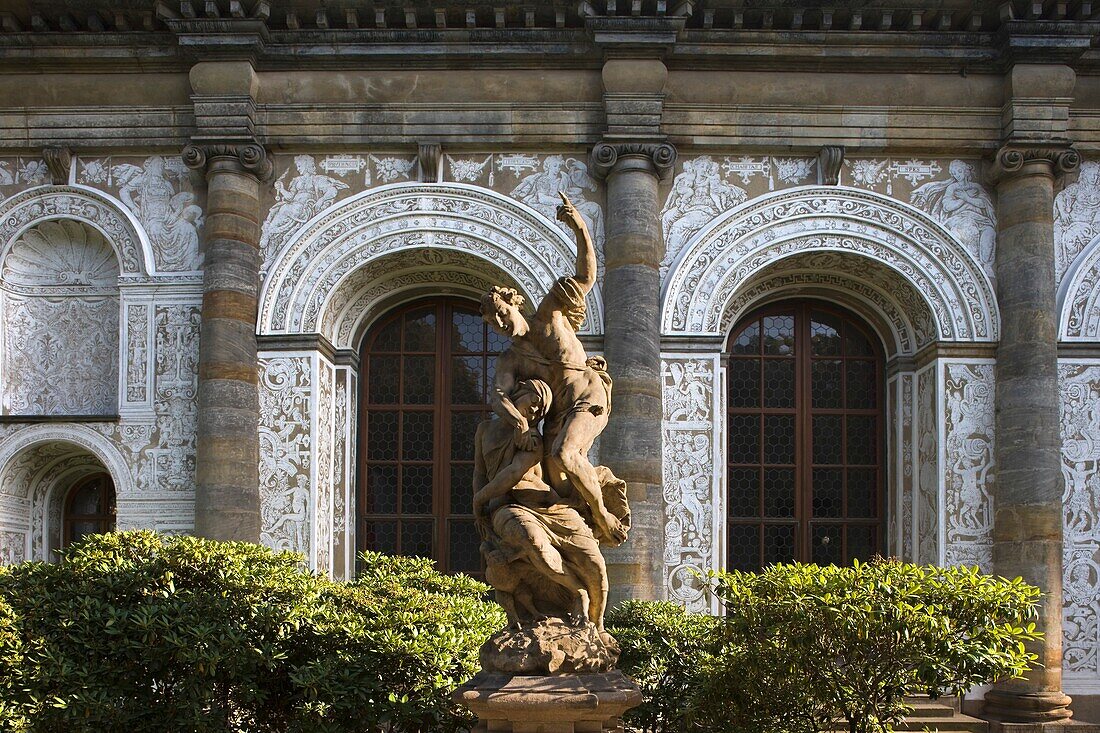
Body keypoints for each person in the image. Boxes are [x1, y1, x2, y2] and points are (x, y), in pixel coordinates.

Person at [480, 192, 627, 548]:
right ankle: (594, 488)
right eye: (493, 323)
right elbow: (498, 395)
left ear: (515, 304)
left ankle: (604, 517)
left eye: (502, 313)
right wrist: (518, 422)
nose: (501, 324)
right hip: (560, 413)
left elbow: (586, 275)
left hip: (588, 395)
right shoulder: (511, 359)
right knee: (559, 482)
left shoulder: (549, 316)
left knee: (564, 454)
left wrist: (578, 227)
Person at [473, 379, 610, 628]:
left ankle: (597, 628)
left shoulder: (533, 440)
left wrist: (479, 498)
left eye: (541, 411)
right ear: (519, 393)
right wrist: (480, 507)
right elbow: (480, 475)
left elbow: (512, 474)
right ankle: (578, 591)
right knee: (535, 544)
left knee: (595, 564)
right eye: (534, 403)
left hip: (551, 508)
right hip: (510, 508)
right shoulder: (484, 430)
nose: (535, 411)